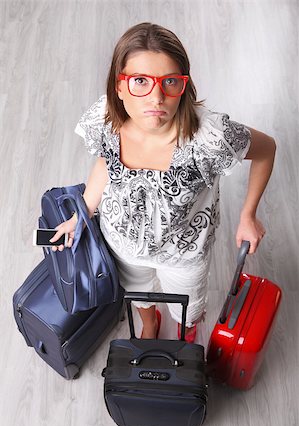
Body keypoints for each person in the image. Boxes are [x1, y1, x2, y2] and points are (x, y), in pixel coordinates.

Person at [50, 22, 276, 343]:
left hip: (185, 250)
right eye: (140, 81)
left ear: (183, 84)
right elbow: (106, 162)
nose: (157, 97)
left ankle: (184, 335)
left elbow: (267, 150)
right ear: (119, 86)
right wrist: (82, 213)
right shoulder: (106, 119)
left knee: (188, 305)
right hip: (123, 242)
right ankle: (150, 323)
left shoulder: (210, 137)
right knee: (138, 294)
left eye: (169, 81)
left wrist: (248, 215)